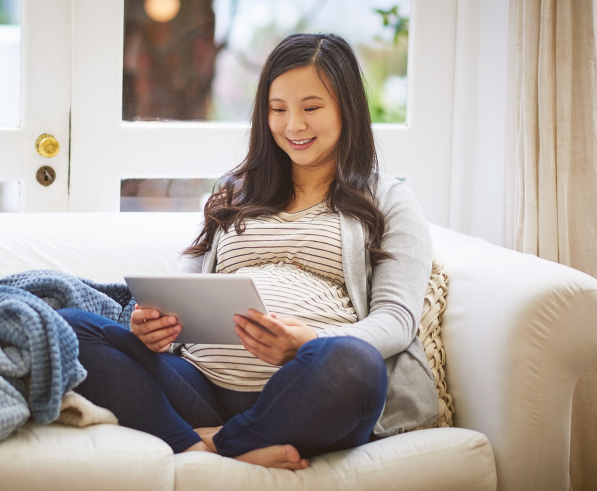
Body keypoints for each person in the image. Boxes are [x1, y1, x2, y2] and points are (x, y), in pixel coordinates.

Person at [58, 32, 437, 470]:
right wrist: (157, 324)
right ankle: (215, 443)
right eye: (278, 110)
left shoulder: (388, 199)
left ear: (346, 108)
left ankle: (214, 444)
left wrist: (308, 343)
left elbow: (396, 320)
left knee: (355, 366)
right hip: (199, 386)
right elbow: (185, 288)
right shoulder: (232, 191)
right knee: (69, 329)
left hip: (309, 387)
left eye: (311, 108)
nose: (293, 126)